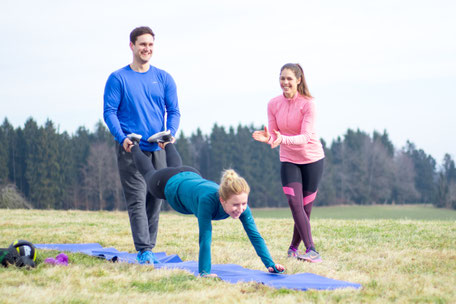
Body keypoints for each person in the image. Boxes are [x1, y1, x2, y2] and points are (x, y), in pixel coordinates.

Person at [127, 133, 285, 277]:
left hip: (190, 174)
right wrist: (204, 273)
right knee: (149, 174)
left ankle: (167, 142)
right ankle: (134, 144)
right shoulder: (207, 201)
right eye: (236, 205)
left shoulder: (241, 205)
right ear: (222, 200)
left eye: (244, 203)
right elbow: (205, 238)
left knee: (176, 168)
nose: (241, 209)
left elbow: (255, 236)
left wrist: (270, 264)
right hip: (167, 183)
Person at [103, 26, 180, 264]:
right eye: (142, 44)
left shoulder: (164, 78)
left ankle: (149, 247)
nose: (147, 49)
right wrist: (122, 137)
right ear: (132, 46)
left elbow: (174, 111)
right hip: (131, 148)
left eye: (150, 45)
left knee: (154, 199)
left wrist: (171, 134)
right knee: (136, 198)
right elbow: (109, 112)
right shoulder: (118, 78)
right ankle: (144, 249)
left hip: (157, 148)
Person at [252, 63, 325, 263]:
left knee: (305, 209)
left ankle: (294, 248)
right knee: (294, 204)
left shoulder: (308, 104)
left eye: (289, 79)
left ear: (299, 80)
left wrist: (281, 139)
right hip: (289, 160)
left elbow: (306, 137)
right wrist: (267, 138)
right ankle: (312, 250)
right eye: (282, 78)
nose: (285, 82)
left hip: (312, 160)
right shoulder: (273, 104)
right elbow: (275, 136)